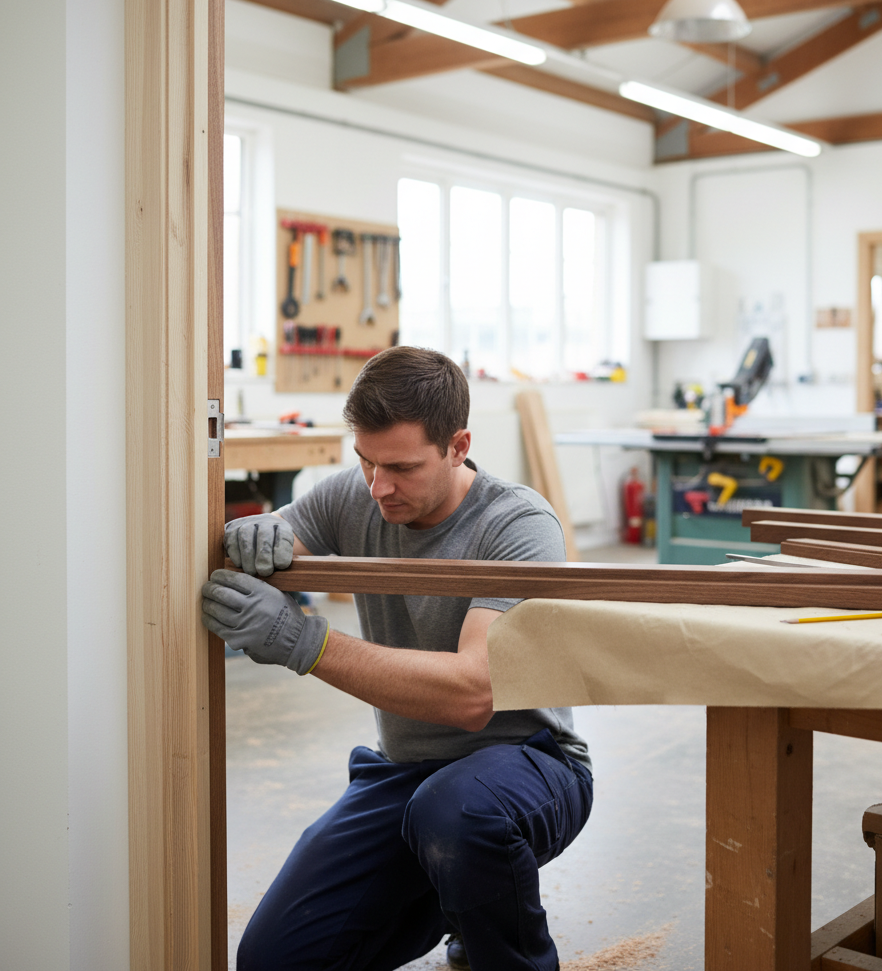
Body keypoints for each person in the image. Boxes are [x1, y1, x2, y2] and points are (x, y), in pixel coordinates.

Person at [201, 347, 593, 971]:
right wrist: (256, 531)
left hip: (529, 764)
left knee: (457, 814)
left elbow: (472, 694)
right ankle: (459, 893)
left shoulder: (517, 525)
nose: (379, 487)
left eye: (403, 467)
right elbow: (281, 535)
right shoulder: (359, 494)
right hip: (407, 771)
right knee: (274, 959)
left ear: (458, 446)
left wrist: (304, 642)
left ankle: (497, 933)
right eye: (366, 461)